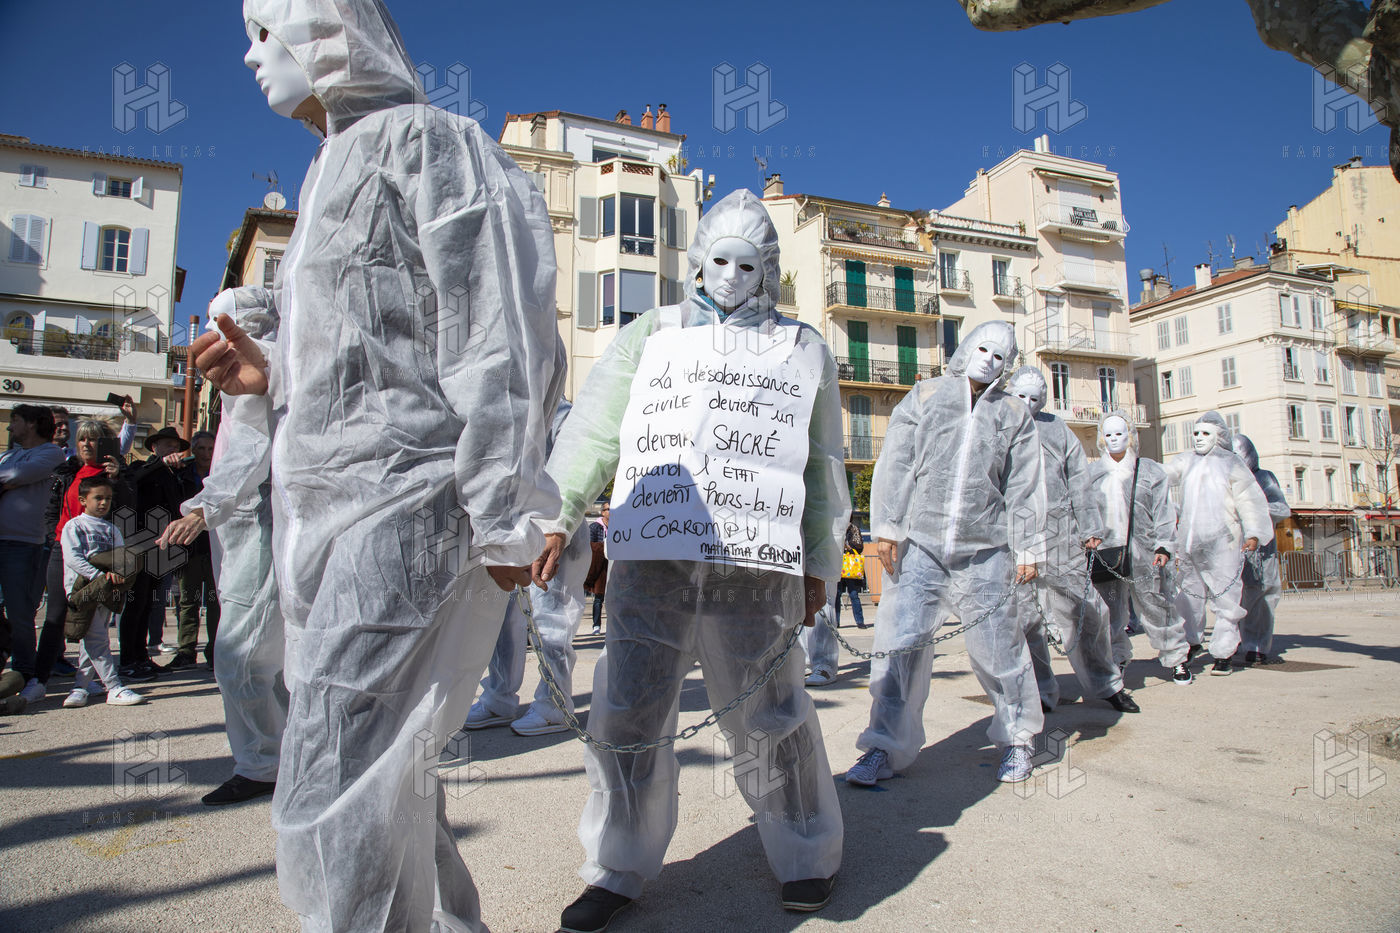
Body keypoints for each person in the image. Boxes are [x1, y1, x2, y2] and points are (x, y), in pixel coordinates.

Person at [189, 2, 562, 928]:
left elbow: (499, 332)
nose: (250, 56)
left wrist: (508, 510)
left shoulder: (430, 143)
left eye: (266, 32)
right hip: (322, 512)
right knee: (386, 769)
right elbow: (359, 357)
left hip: (408, 508)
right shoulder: (324, 176)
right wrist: (266, 377)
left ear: (325, 34)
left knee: (332, 768)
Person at [532, 190, 847, 931]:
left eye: (749, 264)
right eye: (720, 260)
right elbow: (597, 426)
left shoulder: (801, 347)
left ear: (769, 268)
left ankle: (806, 851)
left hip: (755, 569)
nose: (732, 276)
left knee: (772, 709)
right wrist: (556, 514)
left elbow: (821, 463)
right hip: (655, 560)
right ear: (699, 259)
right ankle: (616, 863)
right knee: (629, 707)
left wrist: (820, 564)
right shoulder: (654, 333)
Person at [847, 320, 1046, 788]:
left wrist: (1028, 547)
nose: (989, 361)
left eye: (1000, 356)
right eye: (983, 349)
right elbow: (897, 462)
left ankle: (1018, 739)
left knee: (1001, 648)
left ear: (1008, 365)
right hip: (922, 547)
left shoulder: (1014, 414)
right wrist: (888, 528)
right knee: (899, 648)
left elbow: (1024, 485)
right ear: (967, 347)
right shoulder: (926, 396)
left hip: (986, 551)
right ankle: (883, 746)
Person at [158, 377, 285, 805]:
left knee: (241, 658)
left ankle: (263, 765)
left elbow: (254, 444)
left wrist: (203, 509)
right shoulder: (237, 383)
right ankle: (285, 757)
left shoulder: (253, 373)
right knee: (270, 660)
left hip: (259, 523)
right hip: (242, 527)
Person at [1003, 367, 1137, 714]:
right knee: (1024, 617)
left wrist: (1089, 527)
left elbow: (1079, 478)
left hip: (1060, 533)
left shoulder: (1056, 429)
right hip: (1014, 535)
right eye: (1020, 396)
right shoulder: (996, 425)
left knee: (1085, 610)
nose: (1027, 403)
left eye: (1034, 398)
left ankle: (1107, 683)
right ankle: (1039, 691)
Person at [20, 420, 130, 704]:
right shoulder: (67, 472)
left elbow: (128, 510)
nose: (86, 444)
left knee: (95, 620)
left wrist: (118, 479)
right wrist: (54, 535)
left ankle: (86, 682)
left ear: (104, 444)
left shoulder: (114, 474)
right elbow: (52, 509)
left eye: (93, 439)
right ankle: (39, 680)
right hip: (64, 550)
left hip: (101, 554)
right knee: (56, 615)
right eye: (82, 439)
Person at [1088, 412, 1194, 685]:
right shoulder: (1092, 474)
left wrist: (1164, 545)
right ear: (1102, 438)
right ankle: (1117, 658)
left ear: (1130, 435)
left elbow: (1163, 511)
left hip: (1144, 553)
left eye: (1119, 433)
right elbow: (1085, 512)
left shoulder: (1149, 471)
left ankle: (1176, 657)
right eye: (1108, 434)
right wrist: (1087, 538)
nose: (1114, 439)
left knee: (1157, 605)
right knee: (1110, 612)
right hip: (1107, 555)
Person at [1164, 412, 1273, 676]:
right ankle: (1191, 641)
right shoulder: (1187, 461)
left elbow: (1249, 498)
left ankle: (1224, 651)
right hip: (1190, 544)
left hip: (1224, 543)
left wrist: (1254, 533)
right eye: (1196, 433)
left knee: (1226, 598)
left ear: (1219, 436)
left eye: (1206, 433)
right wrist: (1136, 466)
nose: (1199, 438)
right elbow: (1162, 474)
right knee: (1188, 597)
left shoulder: (1231, 464)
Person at [58, 475, 145, 708]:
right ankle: (113, 687)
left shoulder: (111, 529)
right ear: (83, 500)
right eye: (98, 498)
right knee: (96, 638)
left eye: (107, 498)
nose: (104, 502)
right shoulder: (74, 526)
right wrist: (99, 576)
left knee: (93, 637)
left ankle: (81, 687)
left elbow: (120, 558)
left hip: (107, 590)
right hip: (84, 590)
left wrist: (118, 576)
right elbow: (73, 558)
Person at [0, 405, 67, 684]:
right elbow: (14, 475)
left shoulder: (51, 453)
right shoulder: (8, 455)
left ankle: (25, 673)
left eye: (14, 420)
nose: (9, 427)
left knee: (19, 612)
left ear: (31, 423)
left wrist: (13, 479)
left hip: (23, 544)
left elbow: (18, 476)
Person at [121, 426, 190, 679]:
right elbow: (132, 481)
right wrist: (161, 464)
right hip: (139, 544)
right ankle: (128, 659)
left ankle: (141, 656)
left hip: (162, 546)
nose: (173, 450)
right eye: (168, 445)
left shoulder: (175, 474)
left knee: (149, 604)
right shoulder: (142, 467)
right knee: (135, 603)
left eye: (176, 446)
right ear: (154, 447)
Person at [1231, 433, 1290, 665]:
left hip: (1261, 552)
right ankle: (1233, 641)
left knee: (1262, 598)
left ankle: (1256, 646)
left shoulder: (1263, 478)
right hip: (1231, 549)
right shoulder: (1225, 480)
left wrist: (1253, 508)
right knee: (1233, 598)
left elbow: (1281, 508)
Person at [169, 431, 219, 669]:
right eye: (201, 449)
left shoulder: (219, 475)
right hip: (189, 548)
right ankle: (186, 651)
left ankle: (215, 652)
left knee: (215, 601)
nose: (206, 454)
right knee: (188, 601)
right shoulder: (182, 474)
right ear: (194, 450)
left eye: (211, 449)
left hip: (215, 547)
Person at [833, 519, 867, 628]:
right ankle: (836, 621)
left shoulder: (854, 529)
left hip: (851, 567)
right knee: (837, 594)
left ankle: (860, 621)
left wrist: (847, 546)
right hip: (838, 565)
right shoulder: (836, 528)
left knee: (854, 594)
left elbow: (859, 547)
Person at [585, 503, 610, 635]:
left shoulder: (617, 526)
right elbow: (591, 546)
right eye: (608, 509)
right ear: (602, 512)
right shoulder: (594, 527)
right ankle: (596, 625)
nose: (611, 512)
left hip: (612, 563)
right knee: (599, 597)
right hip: (599, 564)